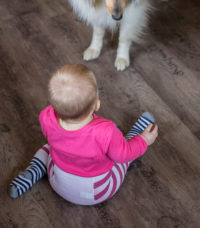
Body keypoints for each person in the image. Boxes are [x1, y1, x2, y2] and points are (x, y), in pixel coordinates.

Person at [9, 64, 158, 205]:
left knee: (48, 147)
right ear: (96, 105)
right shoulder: (106, 131)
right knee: (122, 156)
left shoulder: (46, 116)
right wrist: (144, 140)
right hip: (98, 191)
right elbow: (123, 155)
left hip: (58, 181)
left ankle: (32, 172)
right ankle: (137, 135)